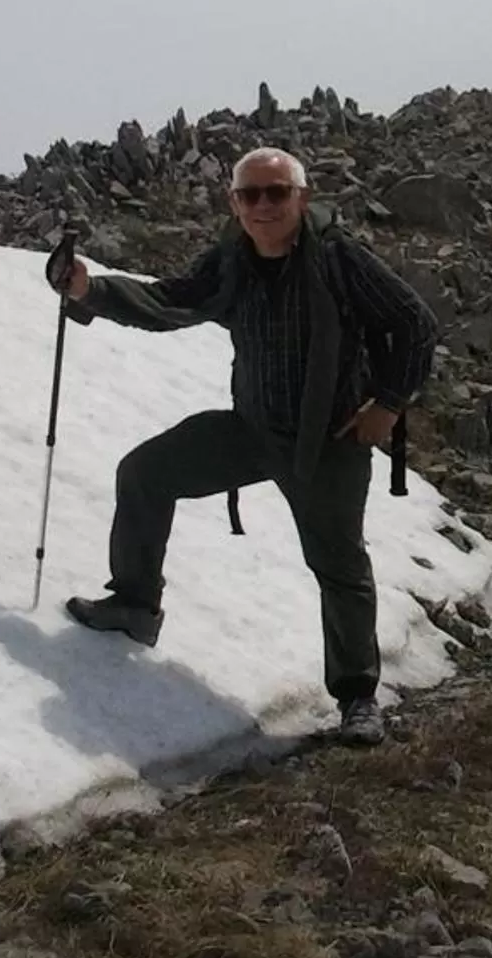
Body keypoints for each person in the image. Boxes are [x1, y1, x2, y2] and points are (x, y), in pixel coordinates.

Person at [50, 146, 438, 746]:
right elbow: (171, 300)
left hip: (326, 442)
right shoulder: (232, 260)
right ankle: (133, 603)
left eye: (276, 193)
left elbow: (414, 322)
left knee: (339, 567)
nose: (263, 205)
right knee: (146, 472)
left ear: (301, 198)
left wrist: (386, 404)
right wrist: (89, 290)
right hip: (252, 429)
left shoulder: (339, 258)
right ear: (233, 204)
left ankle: (358, 698)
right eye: (250, 194)